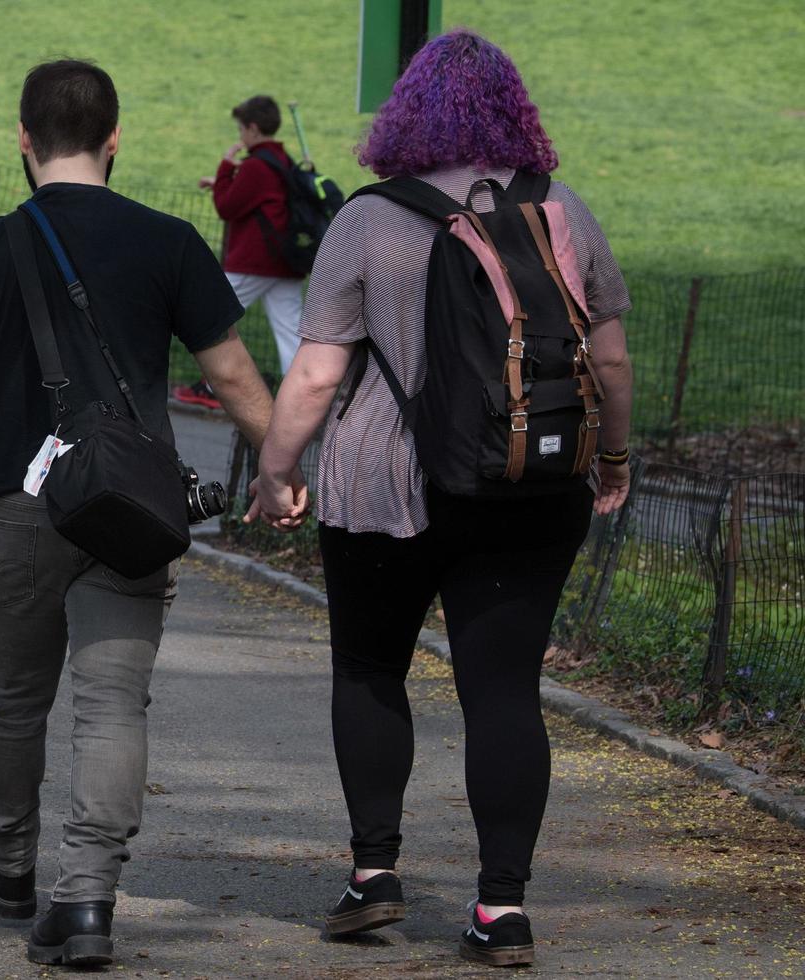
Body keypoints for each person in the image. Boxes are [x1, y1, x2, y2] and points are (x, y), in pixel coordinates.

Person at [247, 30, 634, 968]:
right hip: (533, 479)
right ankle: (502, 909)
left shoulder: (371, 220)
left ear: (404, 117)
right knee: (505, 690)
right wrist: (613, 459)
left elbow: (314, 373)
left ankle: (374, 876)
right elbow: (611, 357)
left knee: (372, 667)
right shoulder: (562, 209)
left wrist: (275, 468)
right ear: (513, 112)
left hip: (388, 483)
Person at [0, 60, 297, 969]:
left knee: (13, 697)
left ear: (22, 139)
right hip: (130, 512)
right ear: (115, 139)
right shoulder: (166, 241)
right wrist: (279, 470)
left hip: (16, 510)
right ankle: (85, 900)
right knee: (113, 703)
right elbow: (233, 374)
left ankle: (8, 855)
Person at [174, 95, 304, 410]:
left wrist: (224, 167)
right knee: (292, 334)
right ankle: (301, 402)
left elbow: (226, 206)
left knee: (212, 315)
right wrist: (226, 179)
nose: (240, 136)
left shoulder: (257, 166)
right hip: (284, 262)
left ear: (253, 129)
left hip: (253, 261)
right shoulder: (282, 161)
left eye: (241, 129)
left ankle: (210, 387)